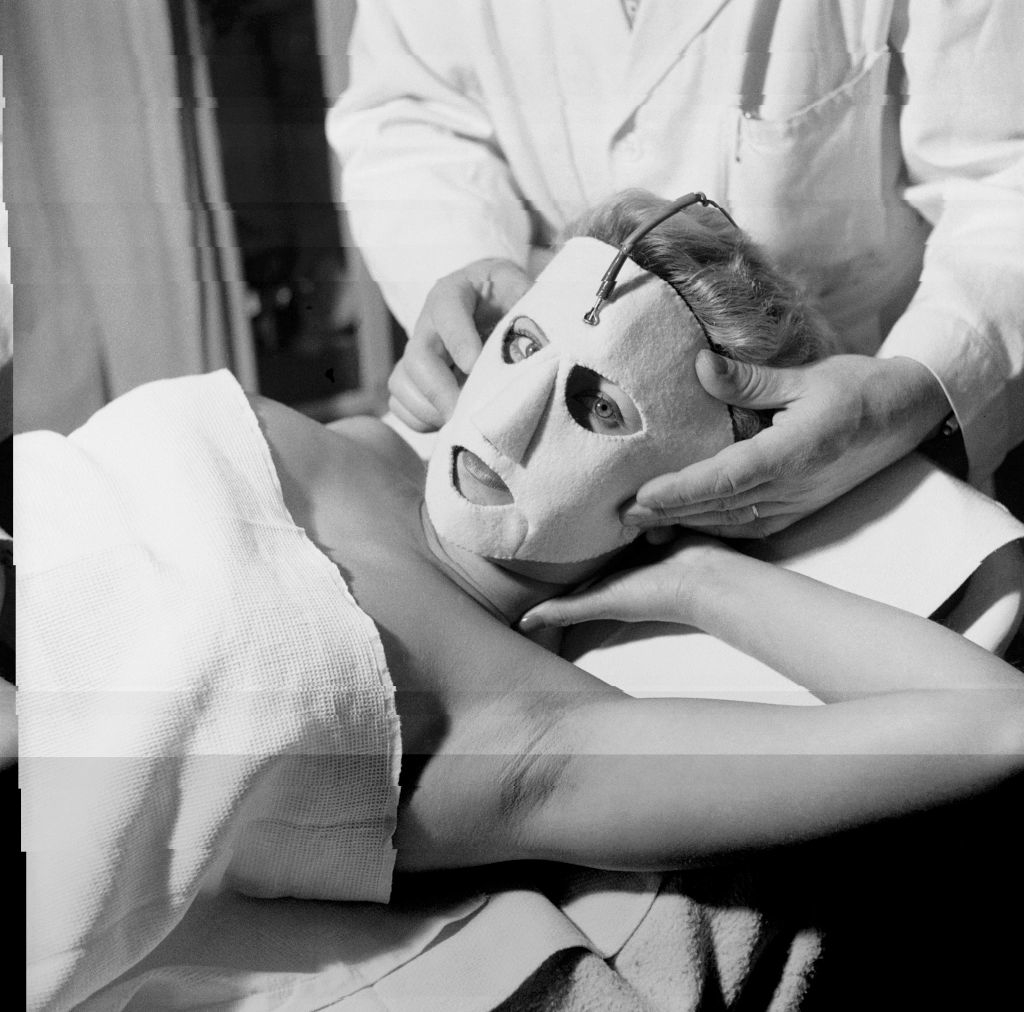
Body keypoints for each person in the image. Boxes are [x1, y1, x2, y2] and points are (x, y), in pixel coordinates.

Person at [21, 193, 1024, 1010]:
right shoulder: (320, 427)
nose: (508, 417)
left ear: (695, 488)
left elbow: (991, 719)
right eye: (520, 346)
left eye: (600, 405)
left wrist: (704, 579)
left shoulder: (526, 735)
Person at [328, 0, 1024, 538]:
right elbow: (411, 116)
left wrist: (910, 390)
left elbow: (1006, 173)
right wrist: (463, 269)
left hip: (855, 428)